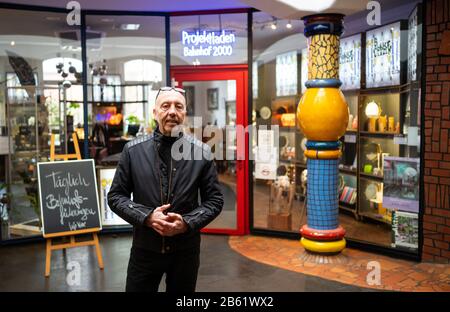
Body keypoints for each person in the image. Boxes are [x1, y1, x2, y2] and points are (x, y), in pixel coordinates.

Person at [108, 87, 224, 292]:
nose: (172, 111)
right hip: (145, 249)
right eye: (165, 105)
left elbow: (214, 200)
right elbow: (116, 196)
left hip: (185, 252)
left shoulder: (202, 152)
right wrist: (147, 217)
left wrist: (187, 223)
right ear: (155, 113)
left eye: (178, 106)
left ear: (185, 113)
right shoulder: (133, 151)